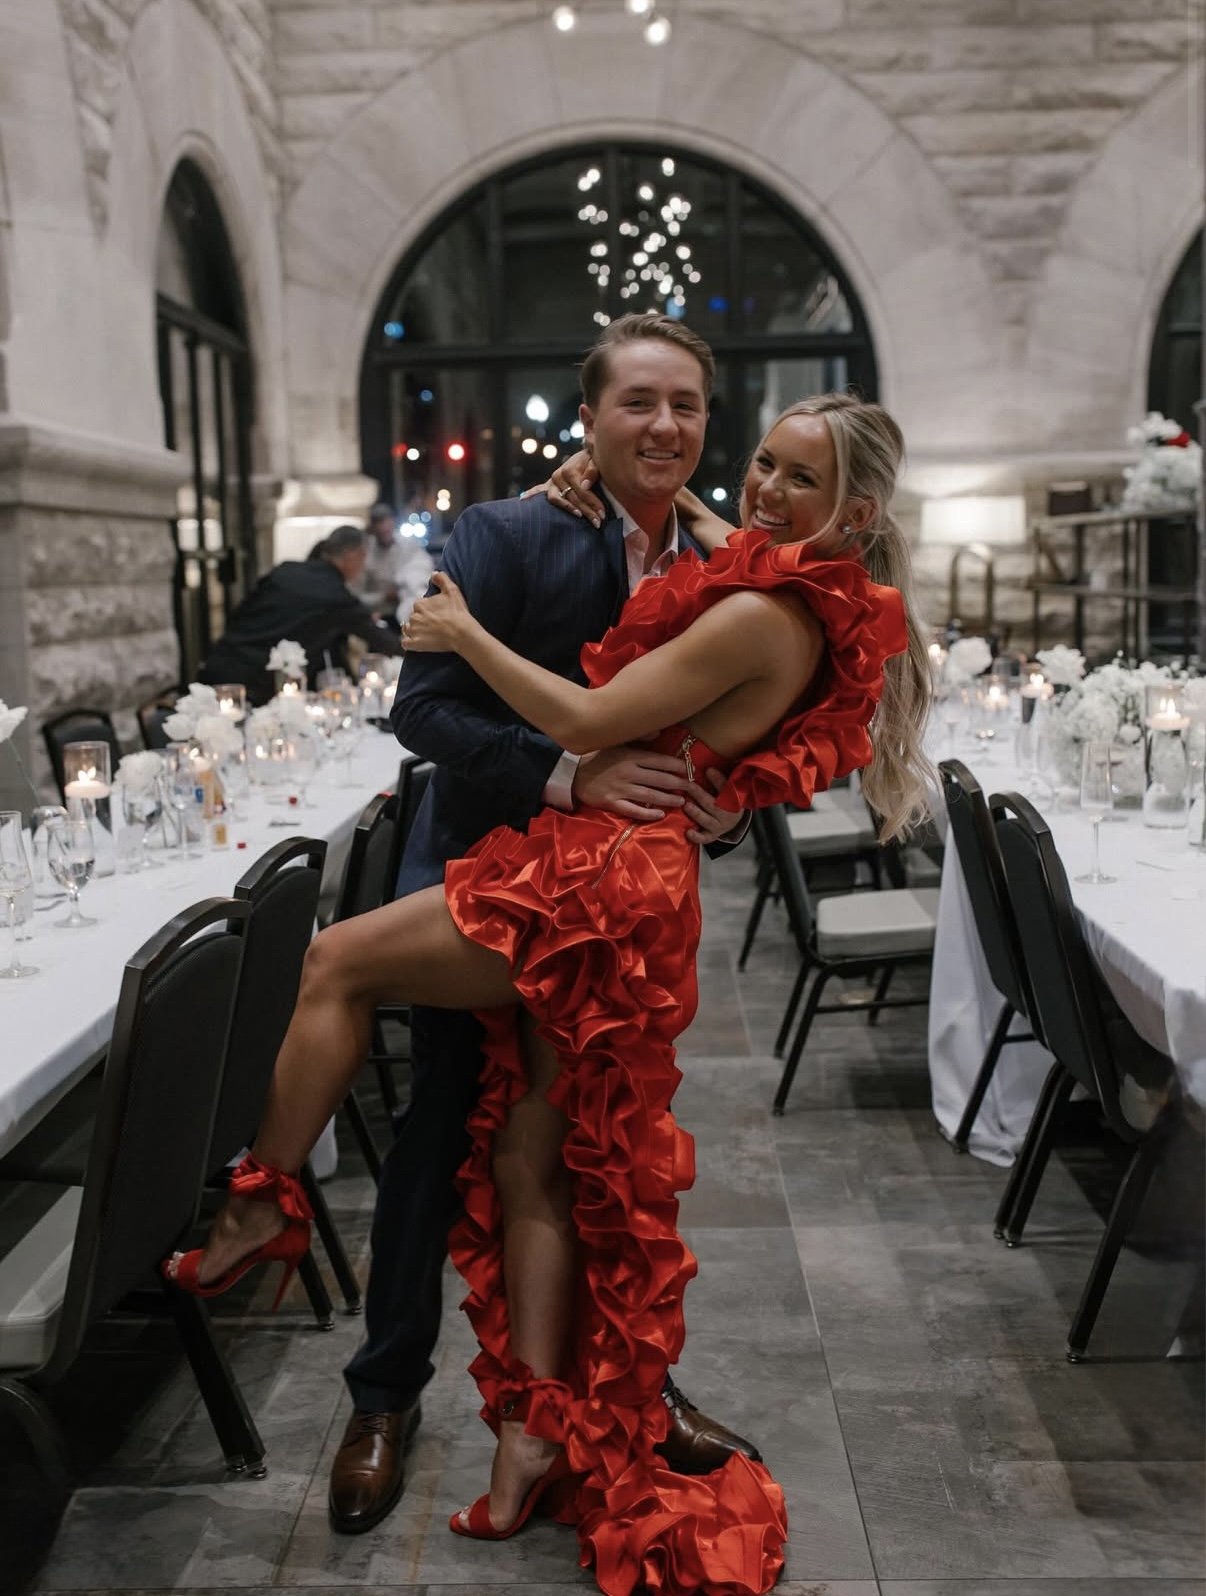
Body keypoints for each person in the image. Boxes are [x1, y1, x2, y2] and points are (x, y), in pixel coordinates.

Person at [164, 386, 932, 1596]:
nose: (765, 490)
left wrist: (461, 632)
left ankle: (262, 1199)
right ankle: (527, 1438)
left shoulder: (764, 610)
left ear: (859, 511)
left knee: (335, 961)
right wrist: (646, 490)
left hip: (598, 885)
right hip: (614, 875)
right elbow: (727, 561)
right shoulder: (788, 587)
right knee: (535, 1157)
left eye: (800, 477)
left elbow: (586, 715)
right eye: (765, 464)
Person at [332, 316, 758, 1537]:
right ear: (590, 418)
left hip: (623, 916)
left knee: (608, 1156)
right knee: (435, 1135)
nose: (663, 424)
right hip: (487, 879)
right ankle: (384, 1396)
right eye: (637, 402)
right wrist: (569, 777)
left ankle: (629, 1391)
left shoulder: (722, 568)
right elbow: (425, 714)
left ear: (707, 421)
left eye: (685, 404)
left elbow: (736, 737)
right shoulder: (514, 531)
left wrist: (726, 808)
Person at [197, 526, 401, 703]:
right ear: (351, 556)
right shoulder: (335, 596)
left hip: (219, 666)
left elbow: (238, 615)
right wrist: (417, 650)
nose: (363, 566)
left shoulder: (284, 570)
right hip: (252, 686)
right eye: (363, 557)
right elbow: (383, 640)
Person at [356, 502, 435, 629]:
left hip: (406, 608)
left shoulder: (408, 545)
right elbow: (357, 595)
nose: (384, 529)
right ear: (372, 528)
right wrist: (383, 596)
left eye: (386, 525)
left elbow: (423, 569)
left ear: (392, 523)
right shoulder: (366, 553)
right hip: (379, 613)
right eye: (379, 525)